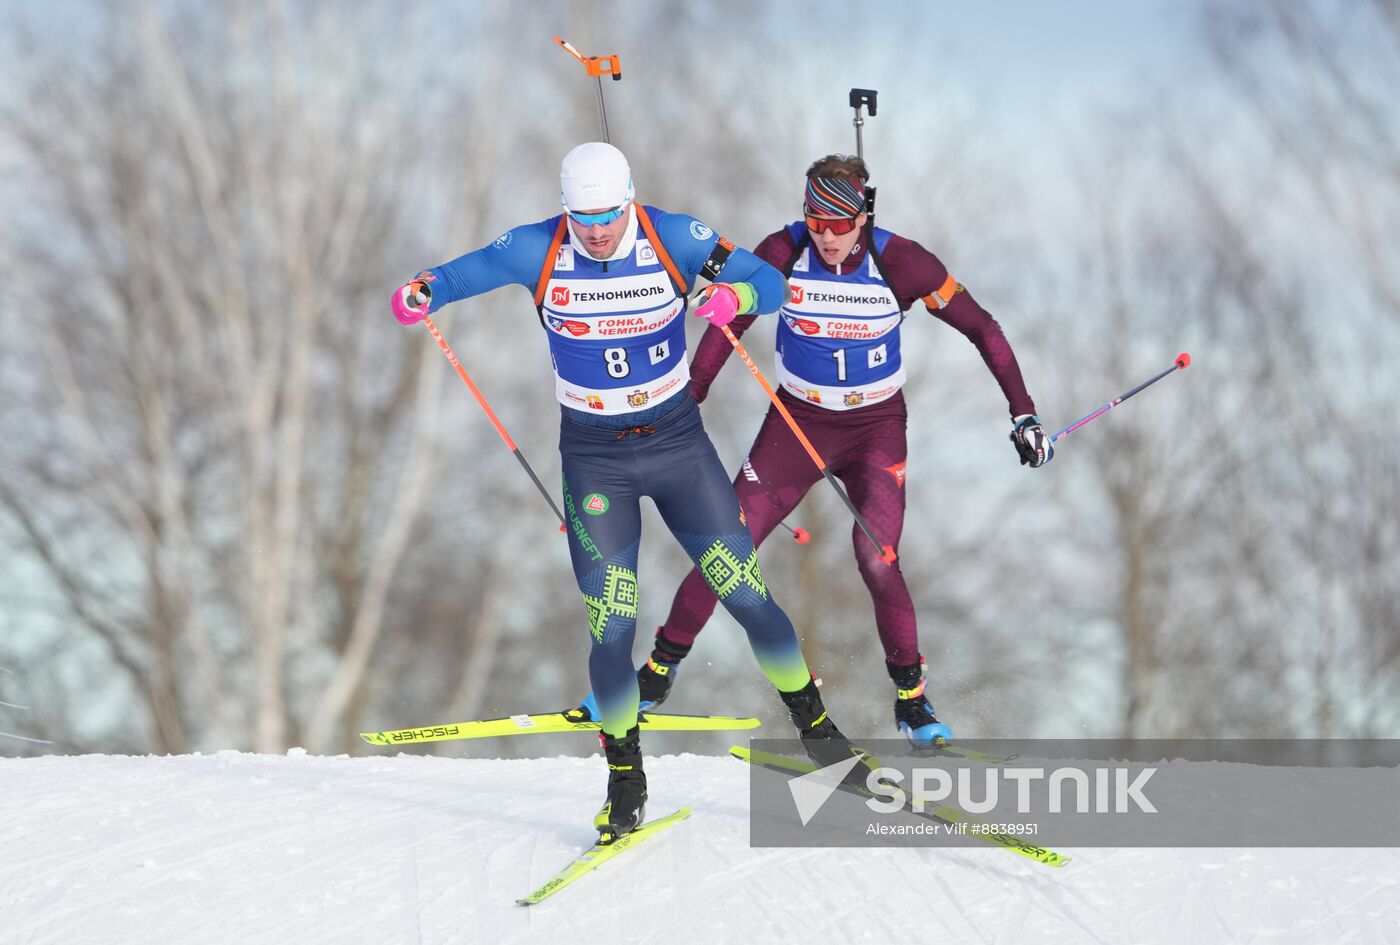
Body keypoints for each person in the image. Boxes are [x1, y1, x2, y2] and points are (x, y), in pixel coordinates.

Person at [390, 143, 862, 844]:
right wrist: (422, 291)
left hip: (677, 448)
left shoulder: (674, 236)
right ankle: (625, 779)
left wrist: (733, 296)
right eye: (583, 218)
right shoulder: (538, 247)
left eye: (608, 216)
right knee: (611, 626)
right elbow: (462, 274)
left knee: (745, 594)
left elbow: (777, 283)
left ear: (629, 199)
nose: (597, 232)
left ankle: (819, 734)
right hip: (594, 459)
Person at [623, 154, 1053, 748]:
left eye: (839, 224)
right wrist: (686, 398)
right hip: (798, 423)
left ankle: (912, 699)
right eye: (815, 221)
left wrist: (1023, 412)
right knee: (728, 545)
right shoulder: (781, 252)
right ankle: (657, 672)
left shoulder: (903, 262)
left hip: (875, 426)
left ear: (864, 216)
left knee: (877, 558)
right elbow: (729, 327)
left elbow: (984, 329)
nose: (825, 236)